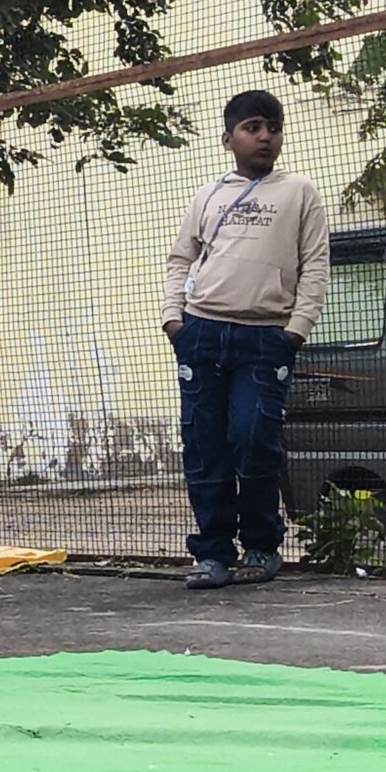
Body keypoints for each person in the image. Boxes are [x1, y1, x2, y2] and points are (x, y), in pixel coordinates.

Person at [163, 88, 329, 590]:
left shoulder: (299, 192)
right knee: (204, 445)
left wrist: (295, 331)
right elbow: (181, 259)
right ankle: (213, 553)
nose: (265, 137)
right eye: (252, 127)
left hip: (265, 339)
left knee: (254, 438)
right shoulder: (208, 195)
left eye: (273, 128)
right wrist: (174, 320)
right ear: (227, 138)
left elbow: (315, 265)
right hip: (202, 333)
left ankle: (261, 547)